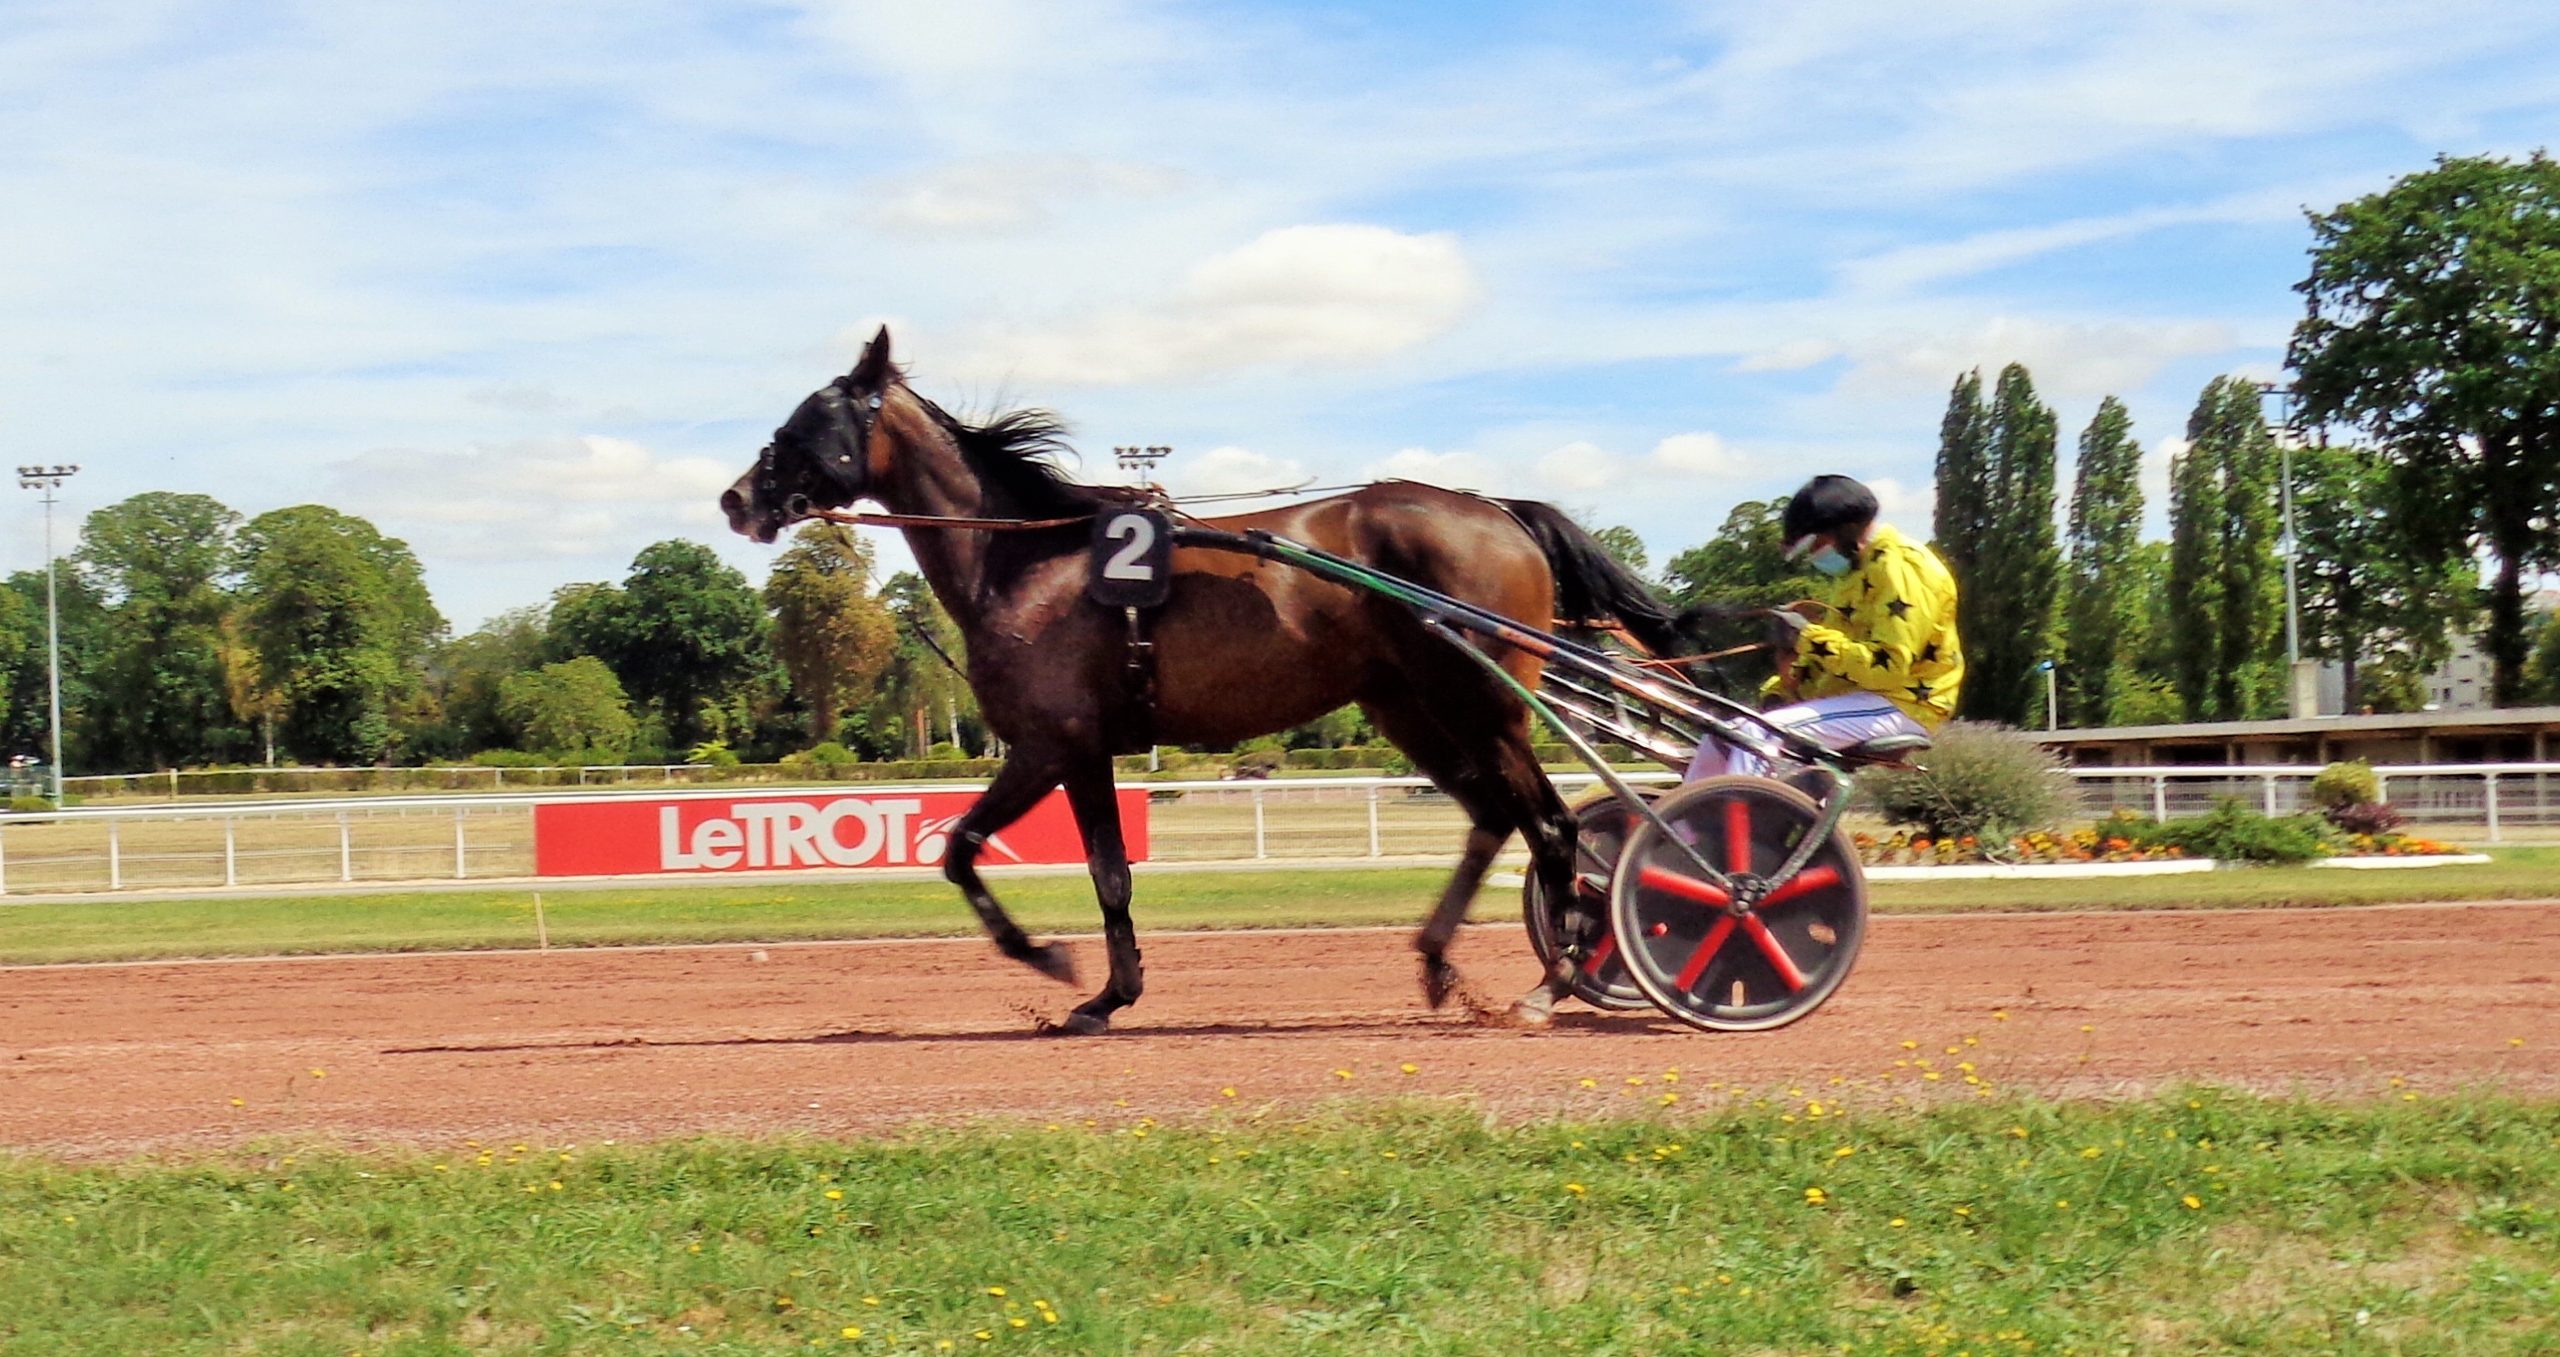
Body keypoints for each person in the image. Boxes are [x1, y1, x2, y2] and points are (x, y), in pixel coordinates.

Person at [1686, 474, 1963, 780]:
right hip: (1862, 700)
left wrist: (1807, 637)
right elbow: (1834, 666)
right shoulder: (1855, 573)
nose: (1814, 554)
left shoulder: (1902, 567)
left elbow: (1888, 669)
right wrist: (1779, 692)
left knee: (1758, 734)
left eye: (1815, 543)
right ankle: (1684, 813)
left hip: (1903, 704)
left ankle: (1745, 811)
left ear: (1846, 529)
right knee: (1724, 735)